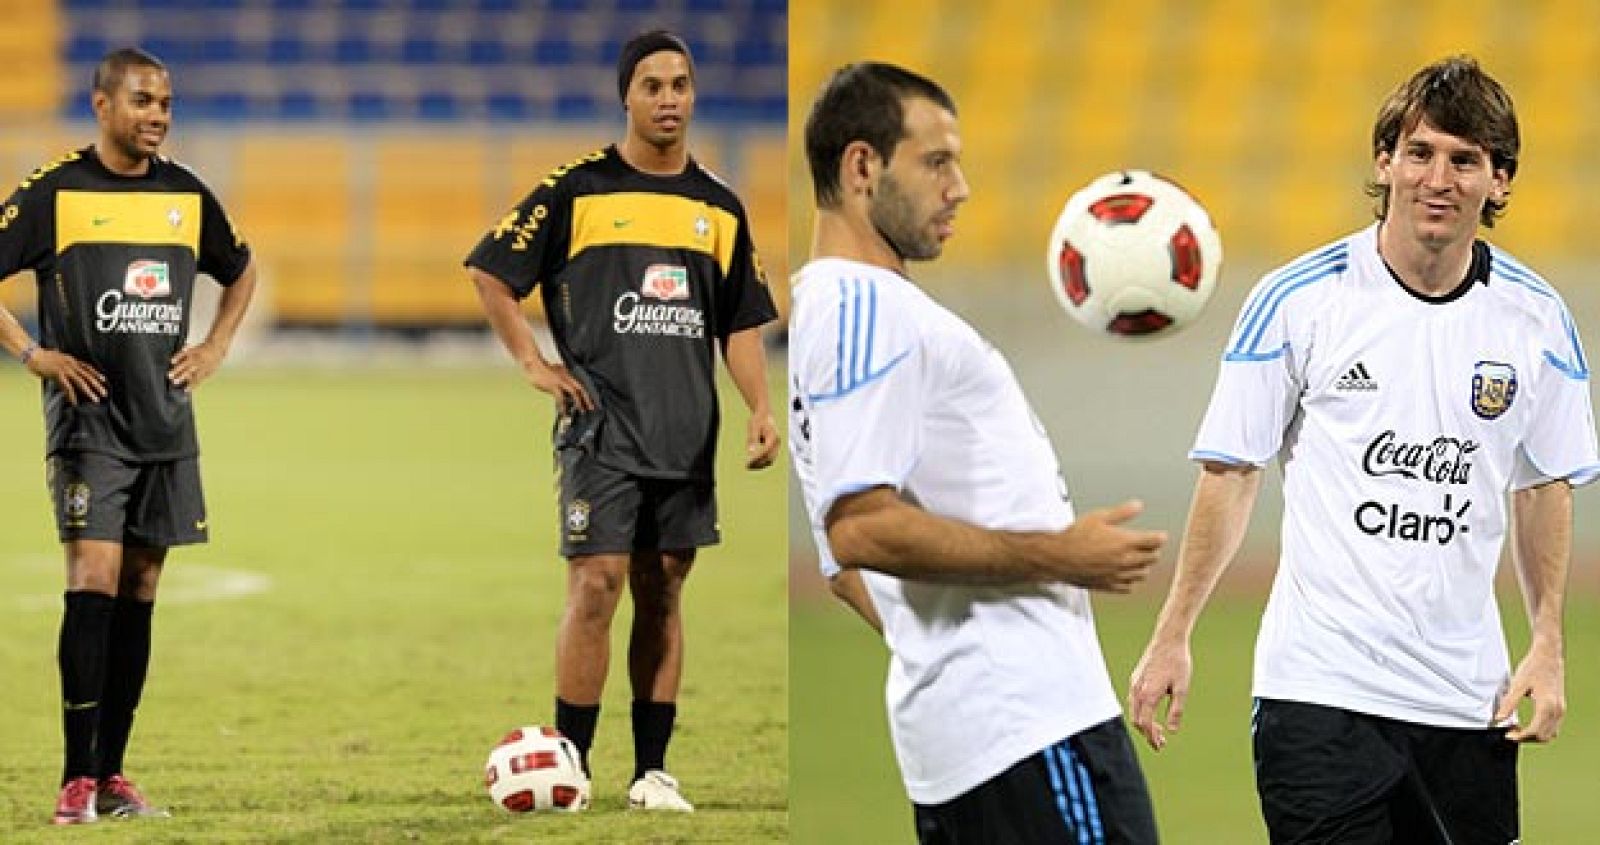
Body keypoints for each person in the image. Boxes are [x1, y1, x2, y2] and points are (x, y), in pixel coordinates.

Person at [1127, 55, 1598, 843]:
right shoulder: (1299, 300)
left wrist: (1546, 640)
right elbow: (1233, 471)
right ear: (1385, 162)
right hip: (1319, 693)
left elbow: (1545, 484)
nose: (1436, 179)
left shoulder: (1538, 321)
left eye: (1464, 160)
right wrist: (1174, 631)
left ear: (1501, 181)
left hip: (1464, 698)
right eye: (1419, 153)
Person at [789, 61, 1166, 844]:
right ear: (863, 166)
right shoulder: (863, 307)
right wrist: (1061, 556)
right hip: (1029, 730)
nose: (959, 186)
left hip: (976, 740)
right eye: (936, 161)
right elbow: (862, 532)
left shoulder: (833, 314)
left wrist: (940, 648)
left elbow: (841, 567)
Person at [463, 29, 779, 812]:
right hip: (600, 426)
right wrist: (535, 363)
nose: (669, 98)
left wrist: (762, 408)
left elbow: (738, 322)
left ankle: (652, 771)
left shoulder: (719, 206)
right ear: (626, 97)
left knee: (663, 588)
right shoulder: (577, 189)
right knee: (597, 582)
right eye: (652, 85)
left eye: (680, 84)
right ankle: (572, 762)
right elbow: (489, 269)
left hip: (685, 430)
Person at [0, 47, 256, 826]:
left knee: (141, 589)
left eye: (166, 104)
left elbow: (240, 270)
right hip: (89, 423)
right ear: (101, 105)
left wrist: (213, 347)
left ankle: (112, 775)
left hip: (166, 423)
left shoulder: (186, 193)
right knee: (94, 576)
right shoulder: (54, 193)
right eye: (143, 101)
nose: (157, 116)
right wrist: (34, 354)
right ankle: (75, 780)